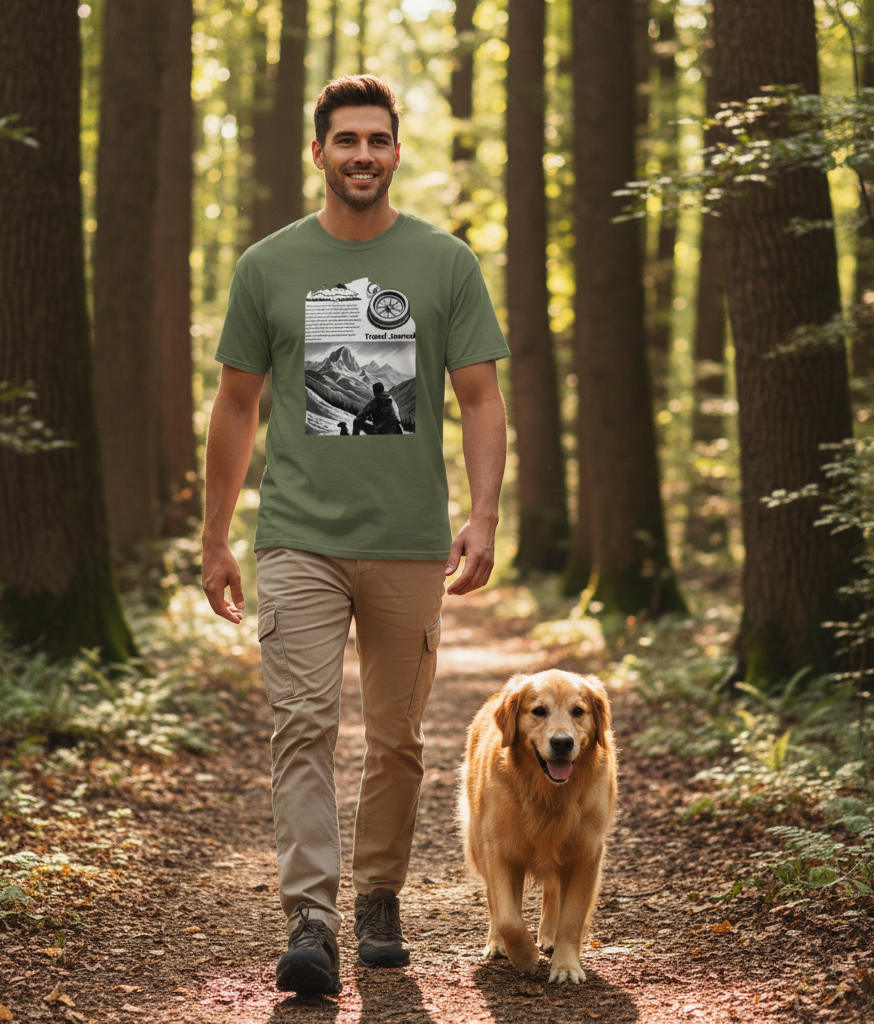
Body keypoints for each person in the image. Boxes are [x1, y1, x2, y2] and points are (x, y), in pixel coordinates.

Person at [201, 74, 509, 998]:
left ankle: (378, 895)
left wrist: (484, 512)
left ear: (396, 151)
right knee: (301, 726)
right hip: (297, 535)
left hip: (411, 539)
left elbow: (484, 398)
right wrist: (216, 536)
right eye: (346, 141)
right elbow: (235, 405)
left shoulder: (444, 263)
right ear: (319, 153)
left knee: (398, 737)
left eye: (377, 139)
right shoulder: (268, 265)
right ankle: (312, 917)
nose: (363, 155)